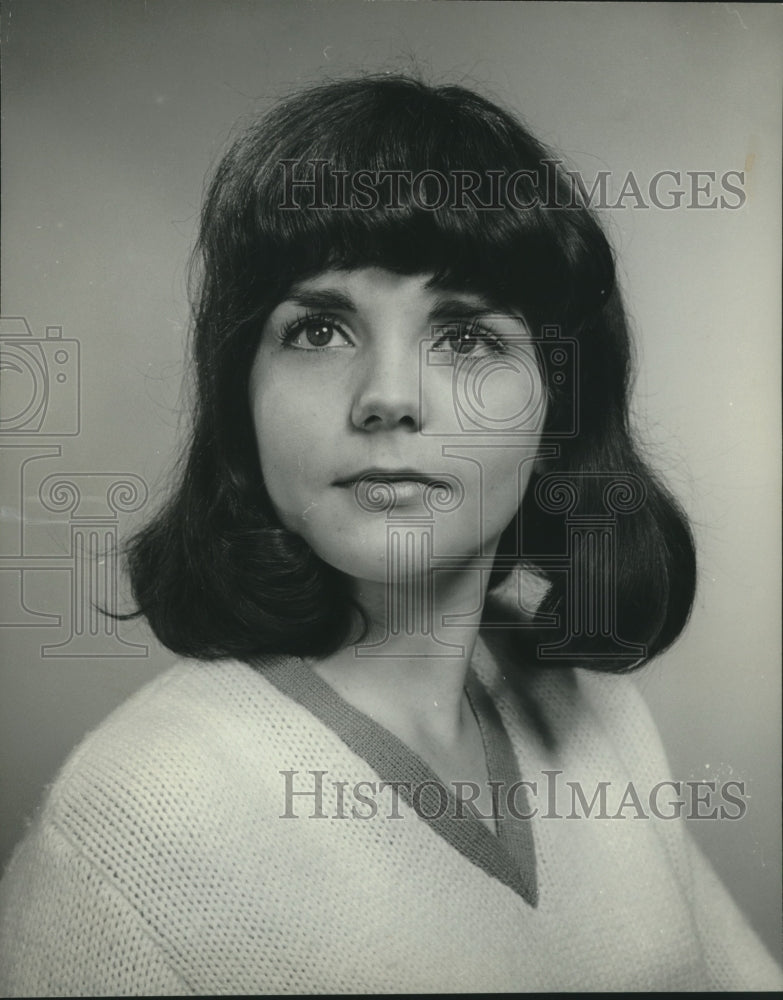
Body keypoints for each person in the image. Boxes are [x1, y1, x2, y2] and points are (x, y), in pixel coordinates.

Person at [0, 74, 780, 995]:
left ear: (557, 408)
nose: (387, 399)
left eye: (464, 338)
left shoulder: (591, 712)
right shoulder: (135, 827)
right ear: (239, 396)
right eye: (320, 329)